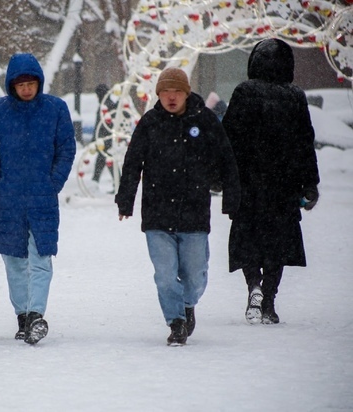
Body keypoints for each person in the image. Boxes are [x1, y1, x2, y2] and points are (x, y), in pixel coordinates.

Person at [116, 68, 241, 345]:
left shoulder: (205, 120)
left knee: (194, 275)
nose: (171, 97)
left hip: (194, 211)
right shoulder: (150, 123)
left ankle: (187, 304)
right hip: (157, 214)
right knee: (164, 275)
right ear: (158, 95)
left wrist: (231, 196)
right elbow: (133, 162)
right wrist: (125, 200)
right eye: (165, 92)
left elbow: (226, 158)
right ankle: (176, 322)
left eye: (177, 92)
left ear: (186, 93)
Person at [0, 53, 76, 345]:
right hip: (9, 199)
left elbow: (66, 148)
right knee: (14, 261)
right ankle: (22, 315)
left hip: (43, 197)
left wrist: (54, 181)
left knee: (41, 258)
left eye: (31, 83)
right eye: (20, 84)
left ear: (39, 83)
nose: (27, 89)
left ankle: (36, 314)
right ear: (11, 85)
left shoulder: (55, 109)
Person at [222, 38, 320, 325]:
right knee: (277, 244)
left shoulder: (243, 92)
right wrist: (309, 183)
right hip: (283, 185)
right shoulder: (295, 97)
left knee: (247, 239)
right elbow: (305, 143)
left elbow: (229, 138)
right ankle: (270, 300)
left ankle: (254, 284)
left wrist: (223, 175)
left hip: (248, 183)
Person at [91, 83, 116, 188]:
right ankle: (116, 182)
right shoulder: (110, 104)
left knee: (104, 160)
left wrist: (95, 138)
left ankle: (95, 181)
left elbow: (99, 125)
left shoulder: (104, 106)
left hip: (105, 139)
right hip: (108, 138)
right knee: (106, 161)